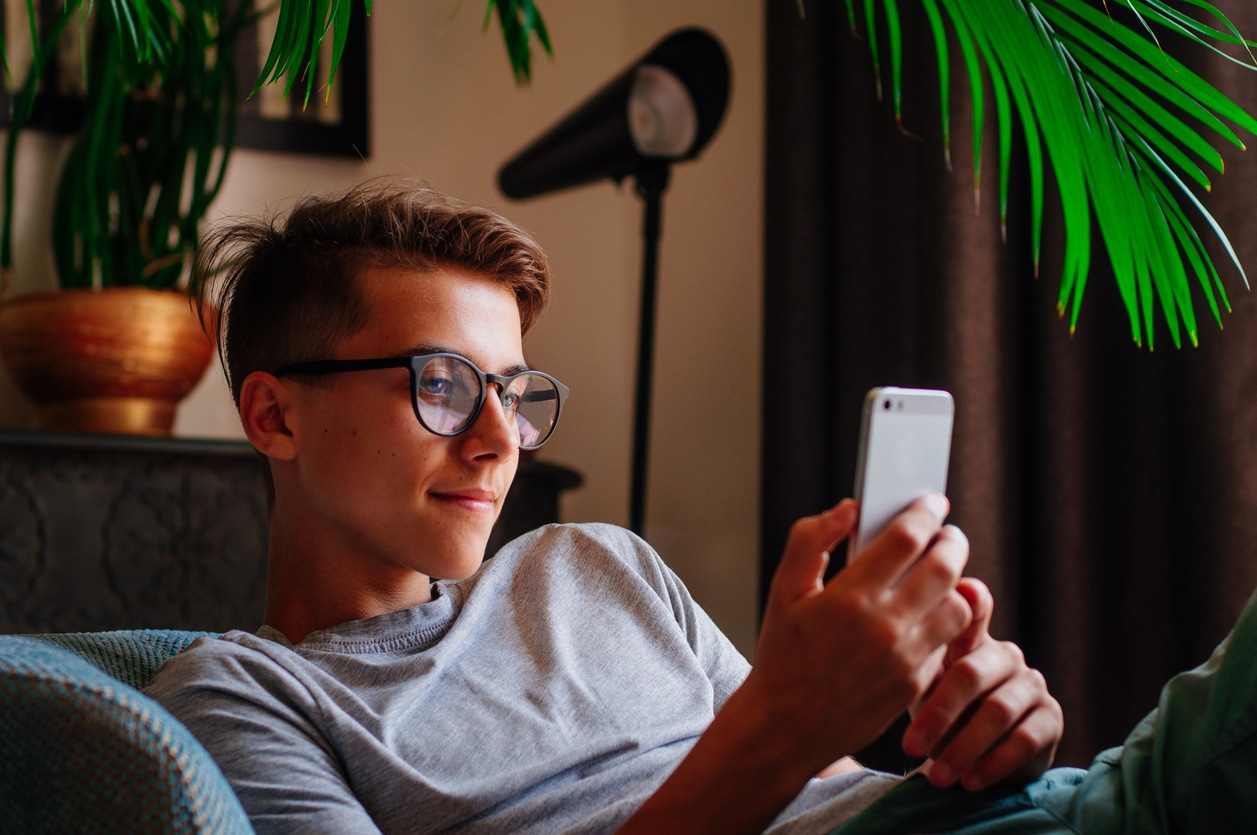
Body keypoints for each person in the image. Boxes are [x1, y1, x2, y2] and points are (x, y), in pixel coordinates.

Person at [145, 181, 1257, 834]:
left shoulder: (595, 564)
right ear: (273, 415)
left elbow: (828, 790)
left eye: (514, 393)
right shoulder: (240, 694)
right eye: (440, 384)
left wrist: (979, 740)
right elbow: (779, 754)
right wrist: (780, 720)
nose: (498, 440)